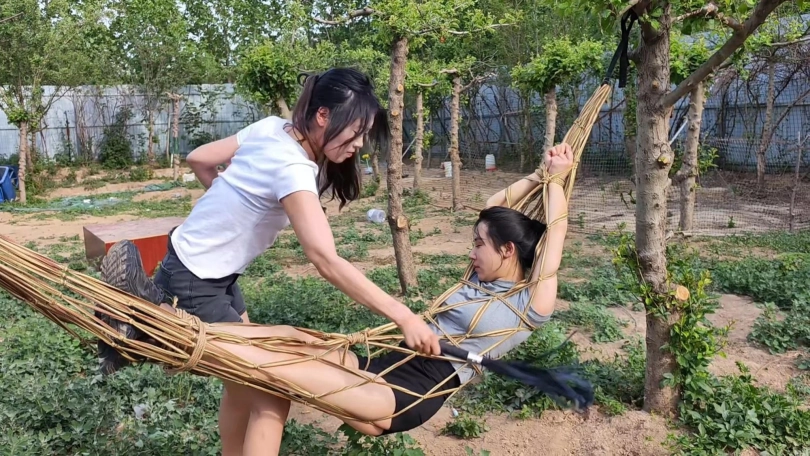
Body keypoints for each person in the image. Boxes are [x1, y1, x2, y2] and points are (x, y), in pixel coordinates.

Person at [99, 139, 575, 456]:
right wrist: (540, 174)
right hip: (379, 357)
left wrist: (560, 181)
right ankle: (149, 329)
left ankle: (150, 328)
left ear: (507, 251)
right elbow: (494, 206)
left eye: (479, 244)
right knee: (282, 342)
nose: (471, 252)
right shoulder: (480, 277)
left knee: (269, 366)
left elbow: (555, 232)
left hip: (405, 392)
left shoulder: (530, 304)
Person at [96, 67, 441, 456]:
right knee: (271, 389)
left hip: (208, 271)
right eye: (356, 131)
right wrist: (405, 317)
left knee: (241, 382)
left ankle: (146, 319)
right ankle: (146, 320)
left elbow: (199, 159)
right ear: (323, 115)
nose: (360, 144)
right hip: (197, 281)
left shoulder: (272, 128)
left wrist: (236, 201)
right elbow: (325, 259)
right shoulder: (292, 168)